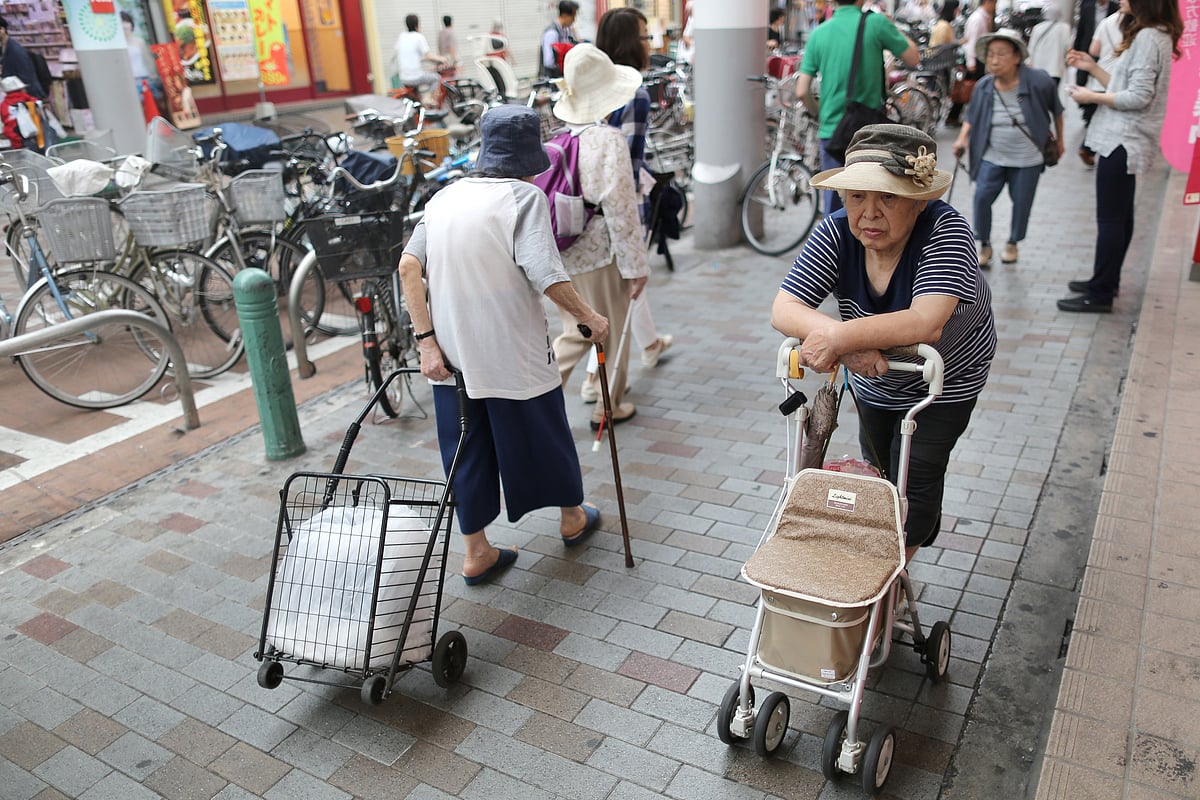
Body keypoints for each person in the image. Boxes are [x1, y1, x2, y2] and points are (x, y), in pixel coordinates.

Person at [397, 104, 610, 586]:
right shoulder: (524, 198)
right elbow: (545, 271)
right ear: (528, 158)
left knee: (464, 448)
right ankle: (572, 517)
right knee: (542, 434)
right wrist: (589, 318)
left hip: (452, 357)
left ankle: (476, 552)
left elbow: (409, 268)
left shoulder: (443, 198)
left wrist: (427, 343)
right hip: (510, 349)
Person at [771, 124, 997, 561]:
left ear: (919, 201)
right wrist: (850, 348)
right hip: (874, 373)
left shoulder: (946, 230)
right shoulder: (837, 232)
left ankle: (894, 579)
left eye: (888, 197)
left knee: (917, 476)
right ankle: (873, 552)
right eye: (857, 196)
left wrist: (836, 337)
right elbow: (784, 308)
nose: (869, 213)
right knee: (878, 467)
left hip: (944, 378)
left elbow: (925, 323)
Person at [576, 6, 675, 406]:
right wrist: (636, 211)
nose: (650, 43)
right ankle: (596, 386)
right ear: (630, 43)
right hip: (615, 204)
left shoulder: (589, 86)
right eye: (645, 36)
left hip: (581, 202)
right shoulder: (631, 90)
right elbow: (627, 162)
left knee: (625, 286)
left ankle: (649, 344)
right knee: (624, 288)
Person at [549, 43, 650, 430]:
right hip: (601, 255)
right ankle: (608, 407)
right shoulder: (608, 141)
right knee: (611, 329)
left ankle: (538, 397)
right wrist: (637, 267)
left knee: (575, 329)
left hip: (563, 253)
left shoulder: (558, 141)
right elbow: (622, 213)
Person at [1058, 0, 1182, 312]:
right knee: (1121, 216)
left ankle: (1100, 292)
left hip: (1122, 139)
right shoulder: (1157, 34)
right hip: (1127, 139)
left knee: (1111, 219)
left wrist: (1090, 96)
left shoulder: (1148, 37)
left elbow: (1139, 96)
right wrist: (1092, 68)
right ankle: (1105, 281)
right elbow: (1128, 85)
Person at [951, 28, 1063, 267]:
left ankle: (1013, 242)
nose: (994, 60)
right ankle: (984, 244)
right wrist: (962, 139)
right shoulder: (983, 86)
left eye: (1001, 54)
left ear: (1016, 57)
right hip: (992, 155)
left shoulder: (1039, 81)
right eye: (991, 54)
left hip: (1028, 158)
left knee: (1021, 203)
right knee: (981, 198)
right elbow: (971, 115)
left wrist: (1061, 141)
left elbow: (1058, 110)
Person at [795, 0, 920, 216]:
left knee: (835, 210)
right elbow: (913, 57)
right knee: (873, 207)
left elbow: (801, 91)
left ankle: (837, 249)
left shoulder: (819, 34)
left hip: (833, 132)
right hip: (868, 134)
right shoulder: (876, 24)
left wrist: (819, 113)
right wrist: (892, 26)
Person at [1077, 8, 1127, 165]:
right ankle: (1088, 147)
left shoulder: (1107, 22)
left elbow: (1094, 49)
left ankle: (1088, 147)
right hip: (1115, 77)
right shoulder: (1139, 28)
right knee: (1108, 116)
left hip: (1103, 72)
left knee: (1101, 114)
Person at [946, 0, 995, 127]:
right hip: (974, 59)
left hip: (976, 59)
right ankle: (956, 117)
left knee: (967, 88)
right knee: (968, 88)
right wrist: (971, 62)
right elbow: (972, 42)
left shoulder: (982, 17)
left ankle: (955, 116)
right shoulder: (978, 18)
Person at [394, 14, 447, 97]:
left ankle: (420, 103)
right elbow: (428, 56)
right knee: (436, 78)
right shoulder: (418, 37)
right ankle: (429, 99)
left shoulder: (402, 36)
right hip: (415, 76)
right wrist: (442, 59)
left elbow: (406, 52)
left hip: (403, 77)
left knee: (416, 94)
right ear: (417, 25)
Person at [0, 15, 44, 100]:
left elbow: (26, 78)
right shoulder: (4, 47)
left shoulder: (15, 50)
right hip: (16, 95)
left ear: (2, 30)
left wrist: (25, 101)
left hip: (26, 96)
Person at [1027, 4, 1072, 86]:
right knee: (1052, 92)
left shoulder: (1037, 28)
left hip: (1038, 67)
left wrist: (1029, 61)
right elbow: (1068, 47)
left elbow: (1031, 47)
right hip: (1055, 69)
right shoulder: (1065, 28)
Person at [540, 1, 580, 79]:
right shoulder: (552, 33)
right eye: (573, 17)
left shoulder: (567, 30)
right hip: (553, 78)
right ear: (565, 15)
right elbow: (548, 62)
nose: (574, 20)